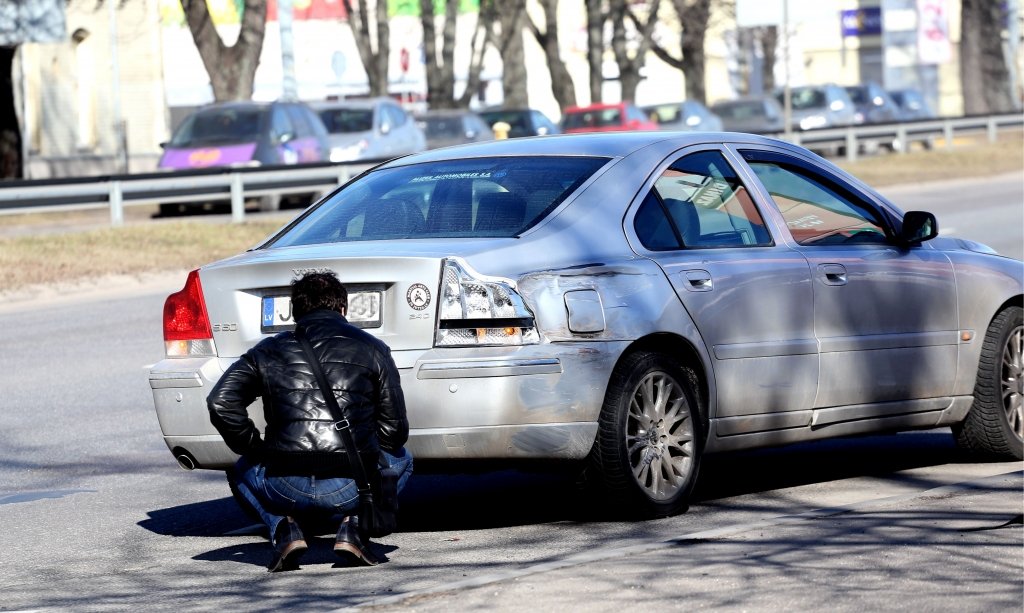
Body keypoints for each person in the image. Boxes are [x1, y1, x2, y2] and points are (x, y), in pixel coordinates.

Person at [207, 272, 412, 572]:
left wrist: (255, 448)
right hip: (353, 486)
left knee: (240, 468)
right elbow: (395, 433)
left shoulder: (266, 350)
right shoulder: (373, 348)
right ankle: (354, 528)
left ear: (294, 312)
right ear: (343, 308)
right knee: (402, 458)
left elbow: (220, 402)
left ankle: (283, 528)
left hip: (283, 485)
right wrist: (363, 447)